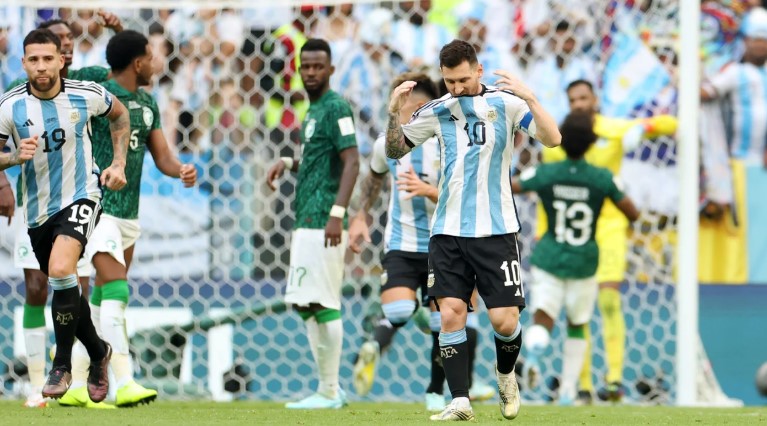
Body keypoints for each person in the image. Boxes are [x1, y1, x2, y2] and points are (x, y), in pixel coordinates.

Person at [385, 39, 561, 421]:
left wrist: (531, 98)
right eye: (450, 81)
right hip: (447, 231)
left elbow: (553, 138)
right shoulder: (437, 110)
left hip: (497, 231)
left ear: (478, 71)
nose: (457, 88)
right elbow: (395, 150)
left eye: (463, 79)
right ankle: (460, 399)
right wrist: (393, 114)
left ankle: (505, 375)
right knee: (450, 313)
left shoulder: (507, 103)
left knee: (504, 321)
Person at [57, 30, 197, 409]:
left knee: (102, 298)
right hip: (98, 207)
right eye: (150, 57)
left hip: (129, 215)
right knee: (117, 287)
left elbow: (162, 156)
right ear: (137, 63)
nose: (155, 63)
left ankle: (79, 384)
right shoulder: (99, 94)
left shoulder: (148, 103)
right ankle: (125, 381)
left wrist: (181, 170)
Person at [348, 71, 494, 411]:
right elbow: (374, 178)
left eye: (410, 107)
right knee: (398, 309)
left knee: (443, 323)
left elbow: (467, 197)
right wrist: (360, 216)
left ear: (424, 107)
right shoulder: (389, 145)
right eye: (399, 107)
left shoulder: (450, 143)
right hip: (401, 243)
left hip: (444, 244)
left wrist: (428, 190)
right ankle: (398, 334)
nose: (404, 114)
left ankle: (435, 390)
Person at [0, 28, 130, 403]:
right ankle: (99, 352)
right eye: (33, 60)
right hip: (38, 211)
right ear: (24, 63)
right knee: (64, 283)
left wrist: (118, 162)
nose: (41, 66)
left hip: (82, 194)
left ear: (61, 60)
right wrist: (14, 157)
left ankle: (62, 365)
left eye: (48, 58)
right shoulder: (10, 106)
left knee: (59, 269)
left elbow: (120, 116)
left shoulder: (86, 94)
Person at [533, 79, 676, 403]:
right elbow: (547, 192)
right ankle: (581, 385)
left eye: (584, 98)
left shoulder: (614, 129)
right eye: (573, 100)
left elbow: (671, 122)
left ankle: (613, 382)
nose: (579, 104)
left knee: (609, 301)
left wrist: (644, 127)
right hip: (575, 232)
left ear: (595, 99)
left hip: (609, 225)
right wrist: (542, 229)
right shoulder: (559, 139)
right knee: (577, 308)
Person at [512, 111, 639, 405]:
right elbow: (632, 212)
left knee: (543, 318)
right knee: (578, 323)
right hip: (584, 261)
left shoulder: (546, 173)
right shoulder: (602, 178)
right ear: (592, 142)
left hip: (549, 258)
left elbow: (514, 186)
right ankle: (569, 391)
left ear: (562, 138)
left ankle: (533, 355)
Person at [266, 38, 360, 409]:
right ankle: (329, 388)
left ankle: (329, 390)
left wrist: (337, 214)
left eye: (318, 66)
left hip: (324, 219)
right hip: (306, 217)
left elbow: (352, 161)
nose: (311, 72)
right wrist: (289, 163)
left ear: (331, 69)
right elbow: (321, 160)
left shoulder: (335, 106)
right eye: (306, 66)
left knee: (322, 301)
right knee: (305, 303)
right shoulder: (314, 110)